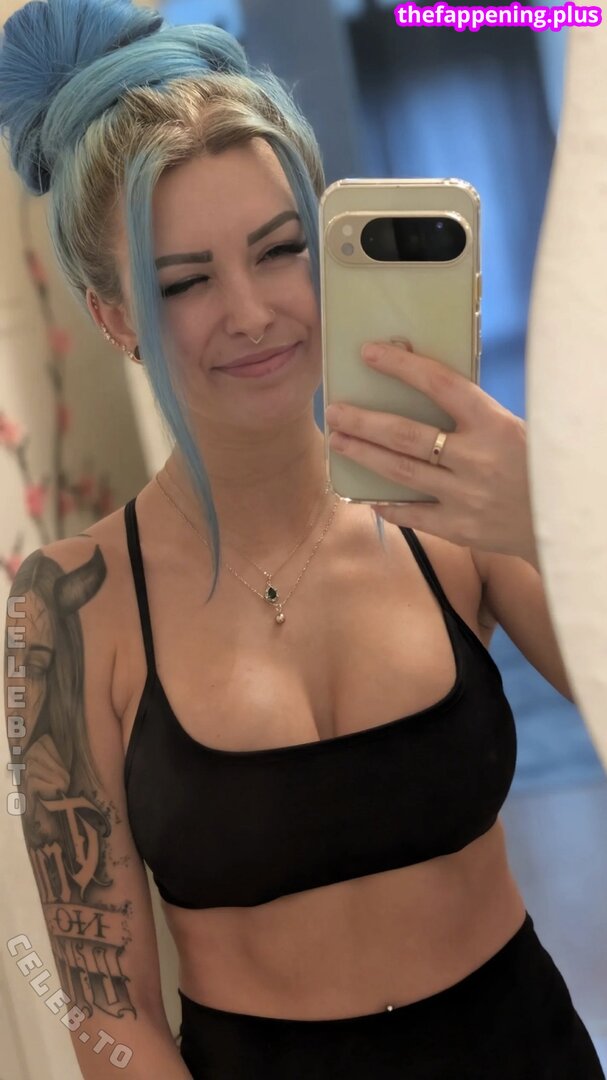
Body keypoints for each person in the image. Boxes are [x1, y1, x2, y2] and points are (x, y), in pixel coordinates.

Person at [1, 1, 604, 1077]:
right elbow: (105, 1011)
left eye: (279, 251)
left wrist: (554, 521)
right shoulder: (70, 605)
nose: (251, 313)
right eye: (185, 281)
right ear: (114, 316)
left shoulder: (456, 516)